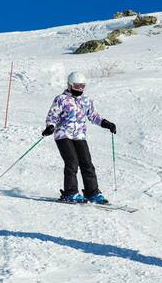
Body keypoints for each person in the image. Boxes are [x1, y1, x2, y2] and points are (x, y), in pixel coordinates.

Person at [42, 70, 116, 203]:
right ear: (70, 85)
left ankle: (92, 192)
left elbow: (93, 116)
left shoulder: (86, 100)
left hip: (79, 135)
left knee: (87, 163)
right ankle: (70, 193)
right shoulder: (61, 99)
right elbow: (53, 115)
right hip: (63, 134)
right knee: (72, 162)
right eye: (77, 86)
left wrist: (106, 123)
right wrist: (50, 126)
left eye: (82, 86)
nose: (80, 89)